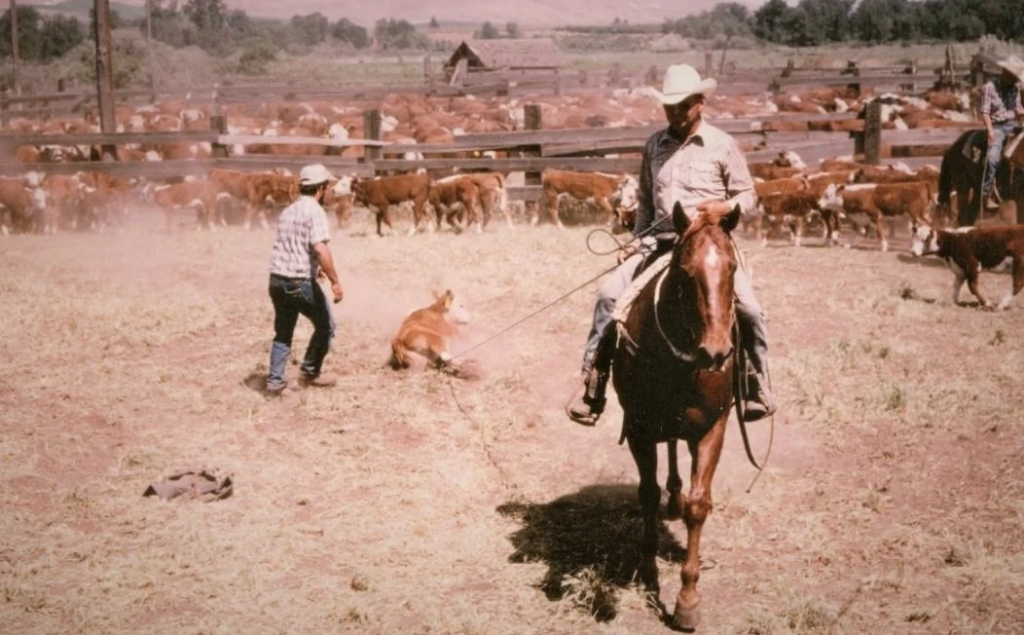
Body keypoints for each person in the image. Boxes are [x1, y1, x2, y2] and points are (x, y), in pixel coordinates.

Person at [567, 63, 775, 425]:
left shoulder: (723, 145)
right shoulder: (654, 145)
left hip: (712, 249)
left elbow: (749, 195)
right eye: (669, 107)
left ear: (700, 103)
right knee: (607, 297)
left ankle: (754, 384)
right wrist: (637, 242)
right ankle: (593, 382)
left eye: (682, 106)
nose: (675, 114)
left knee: (750, 310)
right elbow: (647, 202)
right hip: (661, 246)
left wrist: (726, 207)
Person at [266, 163, 344, 394]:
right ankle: (310, 372)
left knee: (283, 331)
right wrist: (335, 281)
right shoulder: (315, 211)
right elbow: (320, 248)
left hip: (277, 280)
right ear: (320, 188)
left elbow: (294, 246)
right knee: (326, 326)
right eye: (326, 187)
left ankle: (275, 382)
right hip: (299, 282)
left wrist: (315, 266)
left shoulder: (289, 210)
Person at [979, 55, 1024, 210]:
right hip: (997, 126)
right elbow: (985, 112)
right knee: (992, 158)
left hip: (1013, 125)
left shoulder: (1015, 89)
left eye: (1015, 77)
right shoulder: (988, 88)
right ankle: (987, 194)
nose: (1014, 80)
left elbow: (1017, 108)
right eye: (1012, 76)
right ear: (1005, 72)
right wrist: (990, 130)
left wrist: (1021, 113)